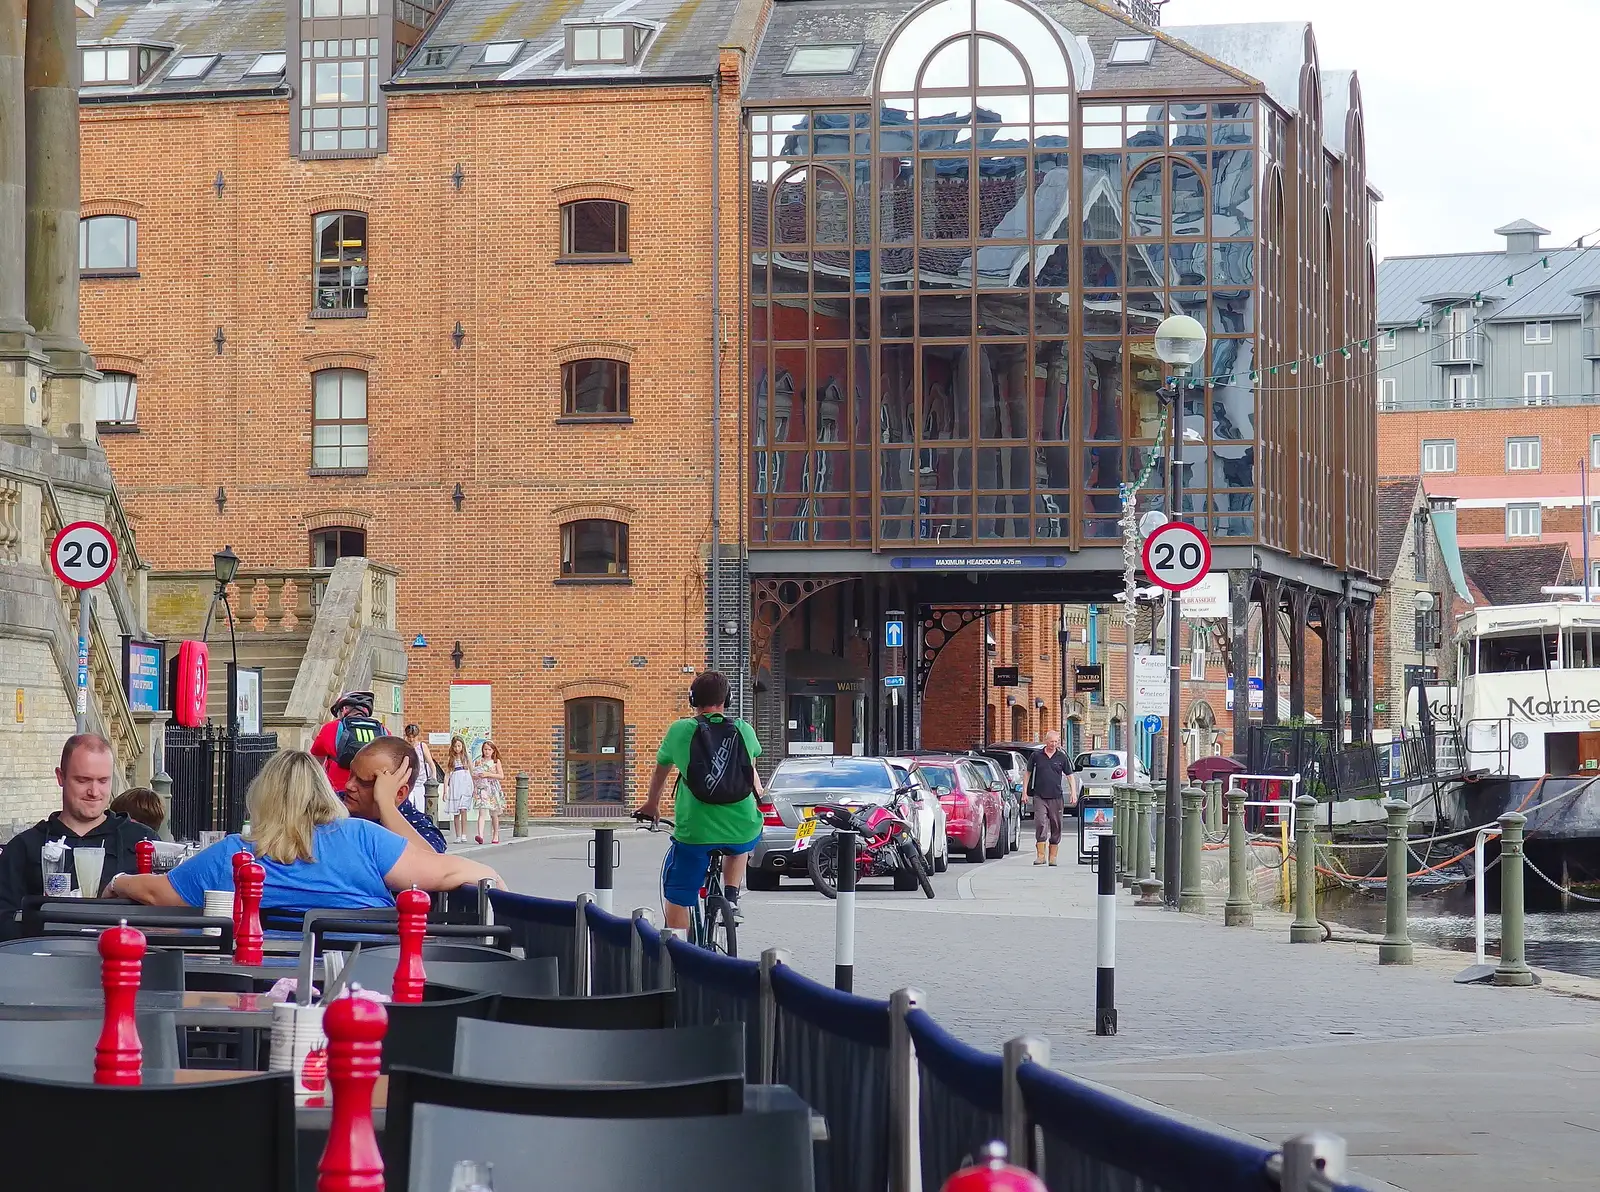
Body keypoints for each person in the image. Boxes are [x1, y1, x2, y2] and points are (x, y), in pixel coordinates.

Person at [108, 750, 504, 912]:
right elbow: (446, 871)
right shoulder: (364, 839)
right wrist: (495, 881)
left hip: (260, 994)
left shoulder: (234, 855)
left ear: (262, 796)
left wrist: (120, 881)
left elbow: (153, 892)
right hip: (366, 992)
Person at [635, 671, 762, 929]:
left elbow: (661, 772)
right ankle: (731, 896)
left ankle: (683, 961)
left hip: (696, 831)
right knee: (740, 845)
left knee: (678, 896)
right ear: (727, 699)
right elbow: (750, 770)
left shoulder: (680, 730)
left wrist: (652, 805)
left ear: (693, 700)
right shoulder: (743, 729)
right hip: (743, 825)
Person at [0, 735, 159, 937]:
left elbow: (167, 913)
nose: (94, 791)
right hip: (46, 962)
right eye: (83, 780)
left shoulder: (143, 842)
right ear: (61, 777)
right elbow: (4, 923)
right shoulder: (24, 848)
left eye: (103, 781)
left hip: (125, 961)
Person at [342, 737, 448, 854]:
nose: (349, 785)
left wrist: (386, 805)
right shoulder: (332, 804)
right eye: (351, 774)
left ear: (399, 793)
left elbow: (432, 863)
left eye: (363, 782)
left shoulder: (419, 828)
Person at [309, 690, 387, 795]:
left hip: (338, 792)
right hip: (372, 794)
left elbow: (315, 764)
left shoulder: (331, 728)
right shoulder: (383, 731)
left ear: (344, 709)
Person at [1026, 730, 1071, 866]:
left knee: (1056, 825)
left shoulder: (1061, 757)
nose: (1054, 744)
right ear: (1046, 741)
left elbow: (1070, 775)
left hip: (1056, 796)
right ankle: (1040, 856)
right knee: (1040, 822)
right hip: (1039, 795)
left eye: (1056, 742)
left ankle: (1053, 856)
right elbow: (1027, 774)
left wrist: (1073, 792)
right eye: (1051, 741)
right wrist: (1024, 793)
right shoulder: (1036, 756)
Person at [472, 741, 505, 846]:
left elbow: (501, 776)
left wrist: (488, 774)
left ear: (493, 750)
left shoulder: (495, 761)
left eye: (489, 749)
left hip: (492, 788)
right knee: (482, 812)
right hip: (482, 787)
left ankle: (495, 834)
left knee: (494, 813)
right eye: (485, 749)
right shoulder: (478, 761)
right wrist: (477, 776)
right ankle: (480, 835)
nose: (487, 751)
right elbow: (473, 774)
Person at [444, 736, 474, 843]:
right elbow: (447, 774)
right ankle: (457, 835)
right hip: (455, 784)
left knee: (463, 809)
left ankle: (464, 834)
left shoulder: (466, 757)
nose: (457, 748)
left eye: (459, 746)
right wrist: (445, 790)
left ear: (462, 746)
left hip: (465, 783)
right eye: (455, 746)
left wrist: (474, 786)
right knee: (456, 812)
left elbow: (472, 771)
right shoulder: (451, 759)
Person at [402, 724, 436, 814]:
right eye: (409, 737)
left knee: (420, 808)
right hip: (409, 782)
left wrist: (433, 777)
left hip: (421, 782)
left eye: (414, 737)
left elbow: (430, 762)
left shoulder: (422, 746)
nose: (411, 739)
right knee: (408, 806)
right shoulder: (404, 747)